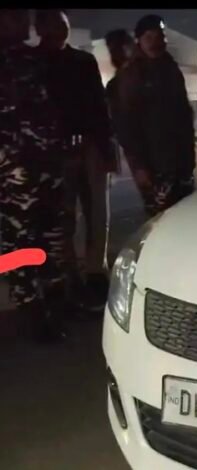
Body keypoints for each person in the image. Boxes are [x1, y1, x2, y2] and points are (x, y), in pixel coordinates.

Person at [35, 9, 115, 312]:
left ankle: (95, 271)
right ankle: (69, 276)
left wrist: (106, 150)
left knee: (97, 212)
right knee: (63, 216)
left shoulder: (83, 61)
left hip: (90, 145)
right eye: (55, 23)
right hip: (55, 151)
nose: (61, 29)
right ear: (40, 28)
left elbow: (99, 106)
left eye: (64, 23)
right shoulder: (33, 64)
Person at [0, 9, 69, 342]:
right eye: (15, 16)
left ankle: (54, 305)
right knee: (18, 240)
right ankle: (30, 311)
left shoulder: (33, 59)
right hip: (13, 172)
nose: (24, 22)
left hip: (46, 165)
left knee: (50, 234)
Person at [116, 15, 195, 217]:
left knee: (185, 214)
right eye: (149, 37)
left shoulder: (170, 68)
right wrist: (139, 167)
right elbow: (126, 126)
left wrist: (189, 157)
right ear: (139, 41)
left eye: (160, 36)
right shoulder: (132, 75)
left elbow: (184, 114)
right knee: (159, 219)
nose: (155, 42)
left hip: (179, 163)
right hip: (152, 165)